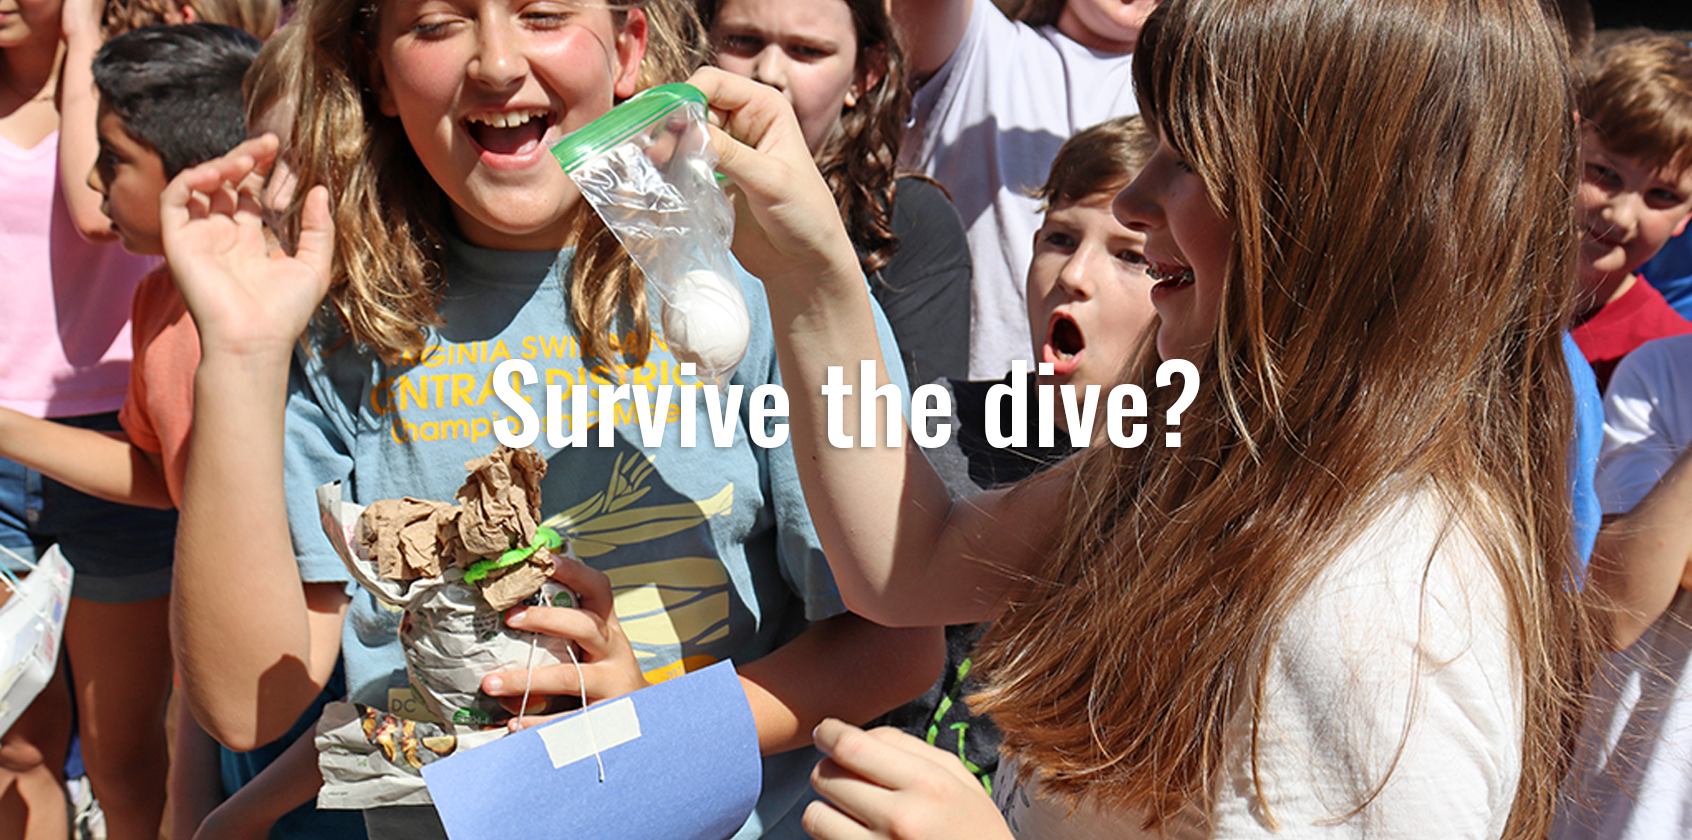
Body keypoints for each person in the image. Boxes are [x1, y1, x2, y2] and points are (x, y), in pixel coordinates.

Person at [683, 0, 1597, 832]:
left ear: (1346, 210)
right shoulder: (1201, 451)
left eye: (1191, 159)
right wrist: (811, 270)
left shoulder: (1376, 619)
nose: (1133, 197)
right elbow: (907, 563)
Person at [156, 2, 940, 839]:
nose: (496, 62)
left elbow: (895, 646)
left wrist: (651, 726)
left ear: (630, 47)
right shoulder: (340, 328)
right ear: (376, 70)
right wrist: (238, 359)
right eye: (436, 24)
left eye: (542, 13)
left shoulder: (756, 285)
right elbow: (246, 704)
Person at [0, 1, 178, 837]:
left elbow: (93, 211)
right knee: (17, 747)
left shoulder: (127, 88)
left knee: (125, 757)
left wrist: (81, 44)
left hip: (118, 450)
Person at [700, 0, 971, 389]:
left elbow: (919, 436)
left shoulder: (910, 223)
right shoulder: (644, 201)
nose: (769, 73)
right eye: (742, 41)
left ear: (866, 74)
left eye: (807, 51)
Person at [894, 0, 1155, 382]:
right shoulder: (985, 47)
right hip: (962, 422)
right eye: (1061, 239)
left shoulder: (1206, 92)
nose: (1073, 275)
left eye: (1131, 257)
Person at [1568, 34, 1692, 392]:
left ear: (1686, 216)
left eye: (1662, 195)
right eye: (1605, 174)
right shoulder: (1467, 279)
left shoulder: (1672, 363)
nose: (1621, 216)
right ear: (1564, 145)